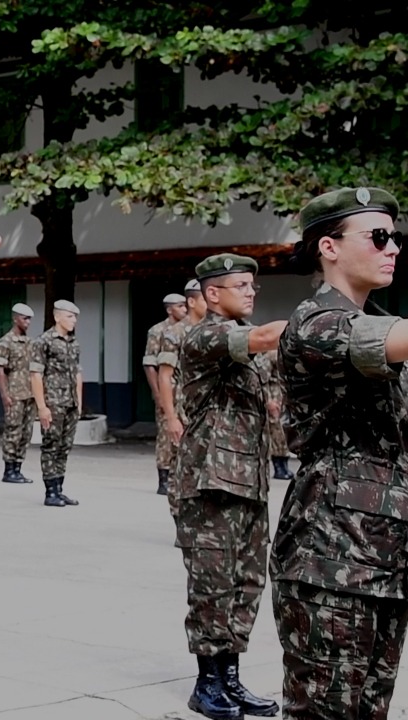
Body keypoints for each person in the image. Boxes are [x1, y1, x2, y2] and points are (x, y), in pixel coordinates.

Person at [273, 187, 408, 720]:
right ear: (328, 247)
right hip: (331, 562)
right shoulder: (316, 323)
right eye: (378, 237)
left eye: (395, 238)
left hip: (386, 562)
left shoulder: (381, 323)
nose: (392, 247)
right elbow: (378, 340)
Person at [172, 253, 286, 720]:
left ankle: (231, 680)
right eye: (242, 285)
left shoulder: (244, 349)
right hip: (210, 483)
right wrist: (325, 321)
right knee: (212, 585)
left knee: (246, 584)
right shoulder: (207, 335)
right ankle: (207, 684)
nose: (251, 292)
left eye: (253, 285)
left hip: (249, 481)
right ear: (213, 293)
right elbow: (262, 337)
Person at [31, 300, 84, 507]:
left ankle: (59, 488)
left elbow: (78, 372)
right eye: (70, 316)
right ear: (57, 317)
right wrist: (42, 407)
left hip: (70, 402)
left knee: (65, 446)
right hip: (53, 402)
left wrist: (79, 402)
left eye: (75, 317)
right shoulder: (44, 341)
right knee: (51, 445)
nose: (74, 321)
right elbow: (35, 375)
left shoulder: (73, 342)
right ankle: (50, 491)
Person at [143, 293, 189, 494]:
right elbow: (150, 365)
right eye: (180, 306)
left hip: (186, 391)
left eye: (185, 305)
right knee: (165, 435)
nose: (184, 309)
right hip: (168, 388)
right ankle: (163, 477)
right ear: (170, 309)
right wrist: (158, 393)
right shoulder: (158, 331)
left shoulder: (189, 328)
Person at [157, 280, 208, 460]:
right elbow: (165, 376)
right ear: (192, 302)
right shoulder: (175, 333)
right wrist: (171, 418)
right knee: (180, 463)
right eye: (204, 299)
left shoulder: (212, 330)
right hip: (184, 407)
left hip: (208, 408)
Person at [0, 302, 36, 484]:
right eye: (24, 318)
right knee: (13, 431)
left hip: (29, 393)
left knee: (26, 432)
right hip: (14, 393)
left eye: (29, 319)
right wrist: (4, 394)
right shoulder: (6, 341)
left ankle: (18, 468)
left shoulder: (30, 342)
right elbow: (0, 370)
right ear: (15, 319)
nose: (27, 322)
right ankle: (9, 469)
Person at [256, 350, 294, 481]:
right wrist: (269, 401)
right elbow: (263, 379)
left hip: (282, 396)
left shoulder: (284, 350)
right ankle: (279, 467)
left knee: (283, 434)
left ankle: (284, 465)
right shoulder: (270, 355)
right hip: (273, 396)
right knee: (277, 433)